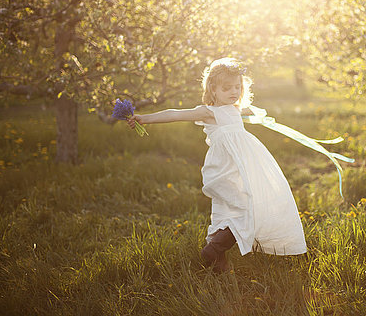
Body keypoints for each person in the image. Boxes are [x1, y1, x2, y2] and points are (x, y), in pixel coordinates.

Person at [127, 57, 308, 274]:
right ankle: (215, 248)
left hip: (242, 165)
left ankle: (217, 255)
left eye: (237, 87)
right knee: (245, 207)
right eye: (226, 88)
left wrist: (262, 115)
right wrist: (144, 118)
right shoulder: (209, 112)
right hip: (226, 167)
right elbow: (176, 114)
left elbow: (252, 111)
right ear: (213, 90)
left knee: (239, 206)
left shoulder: (234, 108)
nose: (233, 92)